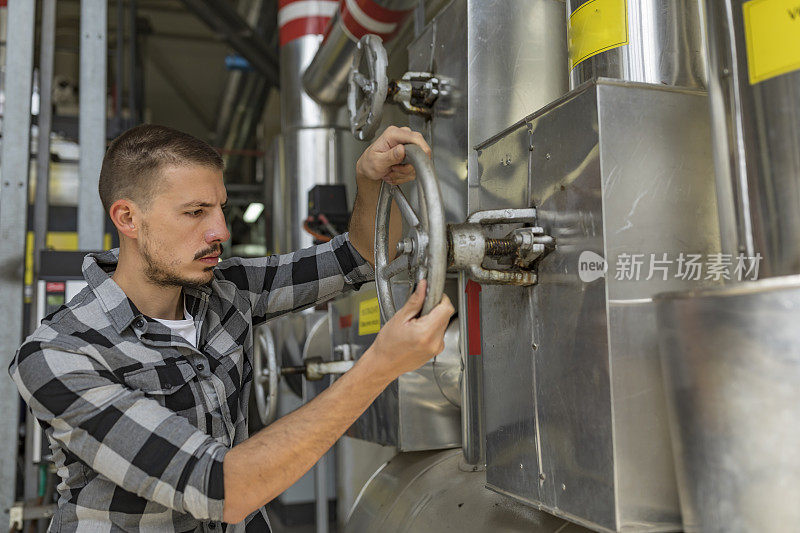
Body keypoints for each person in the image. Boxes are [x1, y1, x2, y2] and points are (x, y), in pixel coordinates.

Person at [9, 124, 454, 532]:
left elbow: (359, 258)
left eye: (220, 208)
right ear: (127, 219)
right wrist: (378, 367)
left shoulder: (226, 290)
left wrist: (373, 181)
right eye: (195, 212)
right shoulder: (58, 355)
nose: (220, 229)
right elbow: (218, 487)